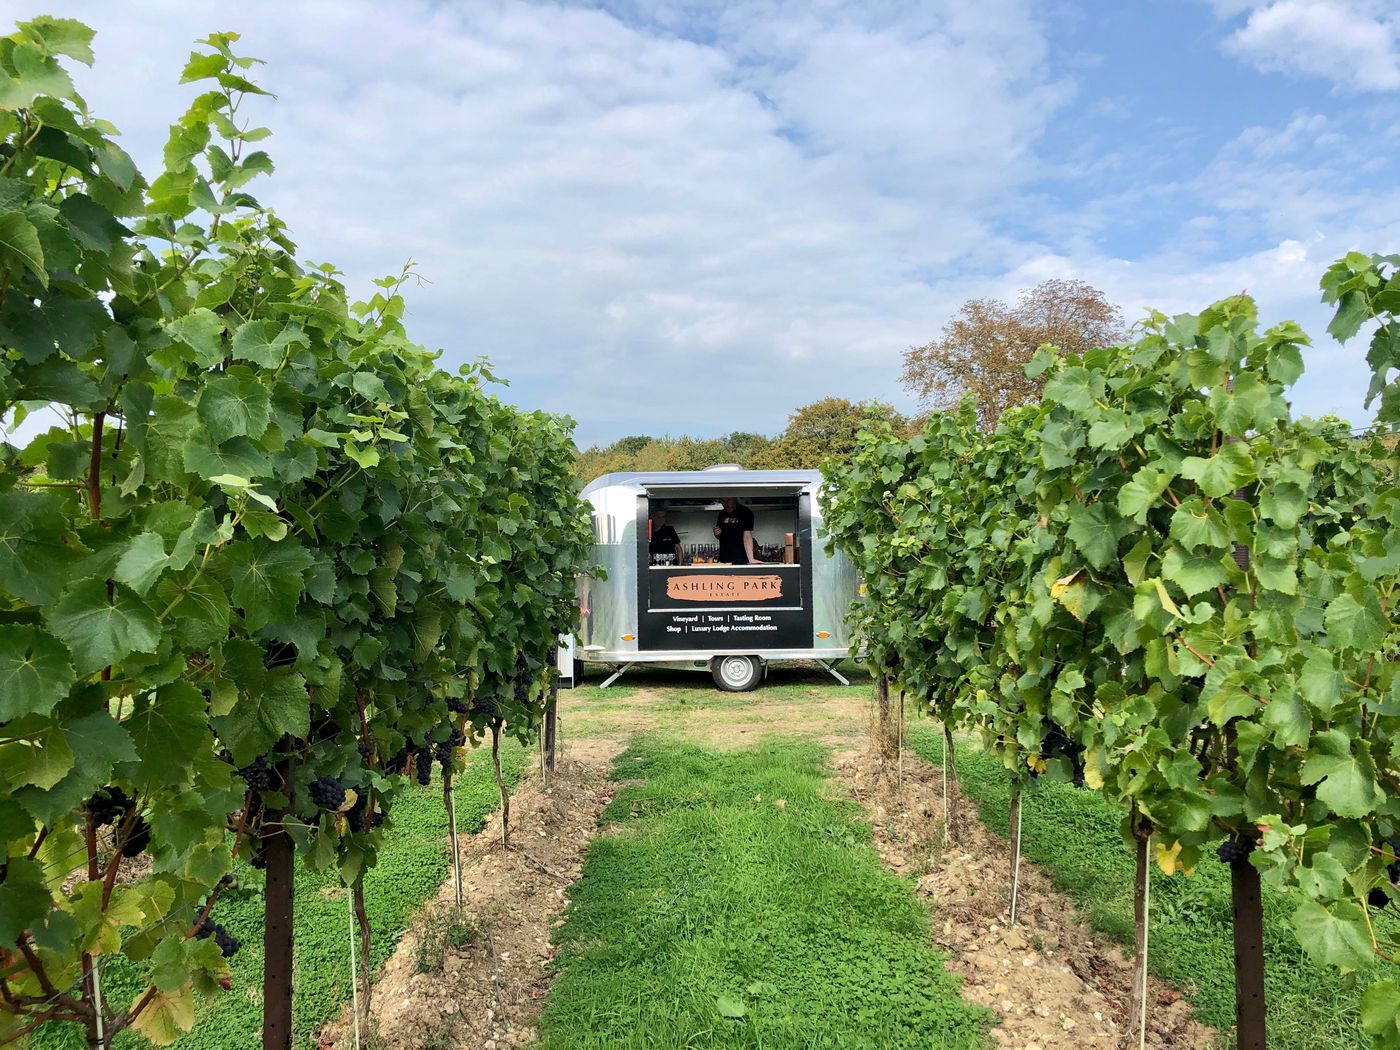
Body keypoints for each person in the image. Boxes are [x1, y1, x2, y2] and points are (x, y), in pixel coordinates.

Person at [713, 496, 755, 565]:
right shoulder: (722, 514)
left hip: (740, 558)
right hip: (723, 558)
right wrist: (717, 534)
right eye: (723, 501)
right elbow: (720, 536)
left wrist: (751, 559)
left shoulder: (745, 512)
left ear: (734, 499)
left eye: (728, 500)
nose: (725, 504)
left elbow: (747, 534)